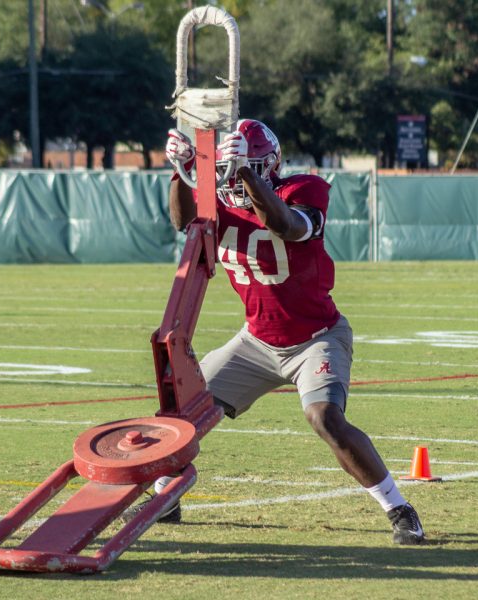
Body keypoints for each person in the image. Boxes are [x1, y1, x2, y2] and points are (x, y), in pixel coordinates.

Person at [123, 119, 425, 545]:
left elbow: (285, 224)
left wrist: (244, 173)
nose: (231, 178)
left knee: (325, 418)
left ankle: (399, 508)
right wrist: (181, 169)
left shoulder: (304, 188)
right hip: (255, 341)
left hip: (317, 336)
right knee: (179, 409)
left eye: (245, 167)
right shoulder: (218, 201)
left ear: (265, 166)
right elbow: (181, 219)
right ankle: (165, 499)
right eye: (232, 168)